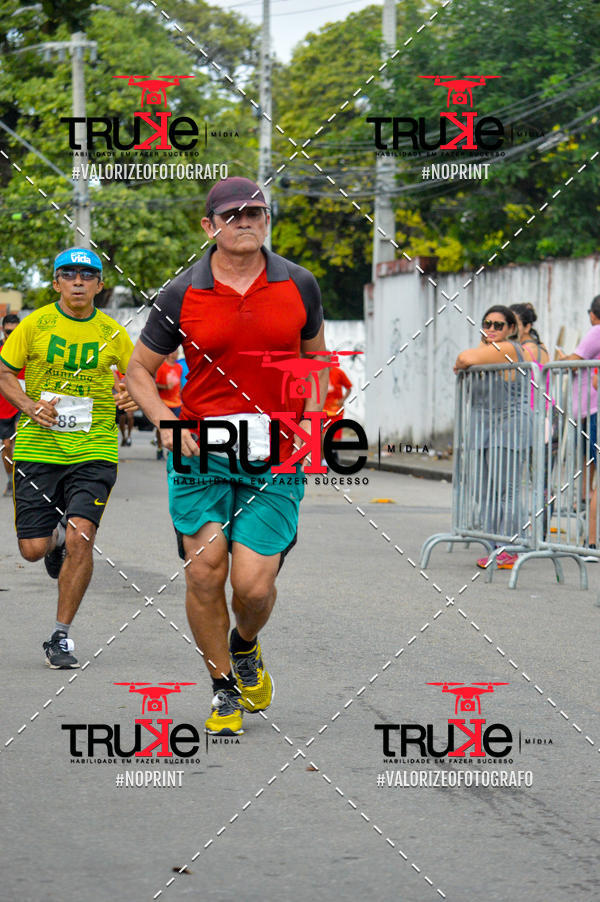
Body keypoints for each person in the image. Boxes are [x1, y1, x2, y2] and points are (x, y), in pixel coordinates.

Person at [126, 176, 326, 736]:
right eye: (233, 213)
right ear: (209, 226)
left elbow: (315, 364)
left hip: (274, 454)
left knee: (253, 587)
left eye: (257, 212)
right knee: (205, 574)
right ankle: (222, 690)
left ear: (267, 221)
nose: (246, 220)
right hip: (199, 452)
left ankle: (245, 645)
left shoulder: (299, 284)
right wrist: (165, 421)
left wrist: (310, 427)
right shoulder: (180, 292)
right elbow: (139, 371)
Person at [0, 247, 136, 669]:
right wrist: (28, 405)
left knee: (83, 536)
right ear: (56, 281)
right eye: (69, 274)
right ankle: (54, 539)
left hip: (94, 447)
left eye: (87, 274)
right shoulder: (35, 324)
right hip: (39, 447)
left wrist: (130, 394)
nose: (78, 281)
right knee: (32, 549)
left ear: (99, 284)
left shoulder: (114, 332)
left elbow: (139, 377)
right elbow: (4, 372)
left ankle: (60, 637)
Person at [454, 305, 530, 570]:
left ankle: (511, 546)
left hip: (507, 427)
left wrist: (469, 357)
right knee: (483, 492)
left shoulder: (510, 348)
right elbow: (466, 359)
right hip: (482, 429)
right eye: (487, 323)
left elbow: (463, 359)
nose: (492, 329)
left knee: (506, 491)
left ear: (511, 329)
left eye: (499, 325)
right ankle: (493, 545)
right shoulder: (485, 352)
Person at [556, 295, 600, 500]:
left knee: (592, 456)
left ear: (592, 314)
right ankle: (585, 499)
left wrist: (560, 360)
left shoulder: (597, 330)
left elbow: (575, 361)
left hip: (592, 406)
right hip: (589, 407)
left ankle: (589, 501)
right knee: (588, 456)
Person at [0, 314, 24, 496]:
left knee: (22, 438)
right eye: (8, 332)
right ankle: (10, 478)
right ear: (2, 331)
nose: (11, 335)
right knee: (7, 445)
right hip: (3, 407)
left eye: (15, 332)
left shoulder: (27, 351)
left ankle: (24, 481)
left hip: (23, 405)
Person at [154, 350, 182, 460]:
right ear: (170, 353)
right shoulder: (162, 366)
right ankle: (160, 447)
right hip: (164, 402)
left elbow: (178, 383)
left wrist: (180, 393)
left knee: (176, 428)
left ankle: (171, 450)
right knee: (161, 427)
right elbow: (155, 384)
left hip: (176, 402)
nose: (178, 354)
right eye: (176, 352)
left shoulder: (179, 367)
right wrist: (166, 387)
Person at [113, 368, 133, 446]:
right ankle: (124, 436)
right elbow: (116, 386)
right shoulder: (117, 372)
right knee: (122, 418)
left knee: (130, 416)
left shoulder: (130, 371)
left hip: (128, 396)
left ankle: (129, 436)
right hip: (120, 397)